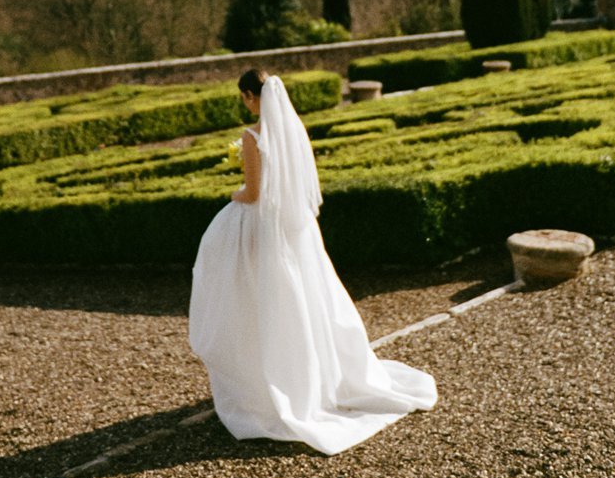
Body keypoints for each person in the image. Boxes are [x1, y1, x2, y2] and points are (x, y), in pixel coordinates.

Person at [187, 67, 436, 455]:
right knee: (306, 301)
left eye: (245, 97)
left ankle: (274, 384)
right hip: (295, 232)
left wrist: (233, 194)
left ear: (251, 98)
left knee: (265, 303)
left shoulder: (252, 137)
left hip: (265, 231)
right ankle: (315, 378)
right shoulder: (291, 133)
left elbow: (253, 194)